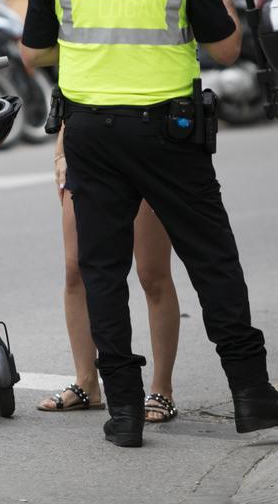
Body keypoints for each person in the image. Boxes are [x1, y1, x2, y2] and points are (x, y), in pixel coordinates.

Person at [20, 0, 278, 447]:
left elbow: (33, 52)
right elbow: (226, 49)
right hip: (167, 132)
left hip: (91, 132)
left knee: (102, 268)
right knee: (212, 260)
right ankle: (251, 394)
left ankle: (123, 410)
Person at [36, 124, 181, 424]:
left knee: (151, 273)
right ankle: (86, 382)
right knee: (75, 269)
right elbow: (72, 89)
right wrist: (61, 153)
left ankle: (161, 389)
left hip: (142, 143)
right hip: (87, 147)